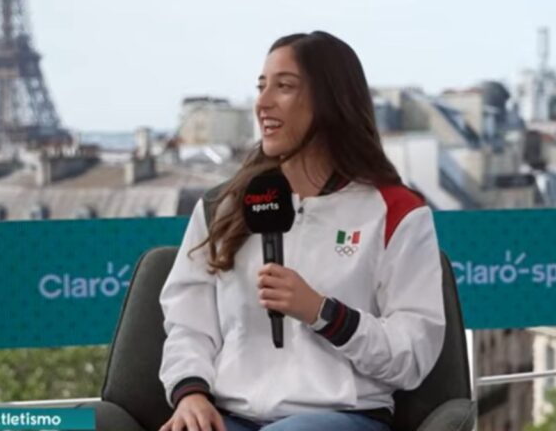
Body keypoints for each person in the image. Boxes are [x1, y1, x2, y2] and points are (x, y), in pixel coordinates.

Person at [158, 31, 445, 431]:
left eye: (285, 87)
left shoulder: (397, 211)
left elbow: (412, 355)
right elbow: (188, 324)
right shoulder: (220, 208)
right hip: (230, 416)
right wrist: (190, 394)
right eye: (261, 87)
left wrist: (322, 312)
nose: (263, 102)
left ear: (331, 101)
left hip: (343, 417)